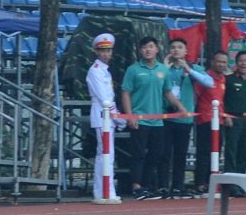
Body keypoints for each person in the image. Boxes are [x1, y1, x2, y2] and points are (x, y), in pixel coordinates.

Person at [119, 35, 166, 199]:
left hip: (158, 121)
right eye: (145, 47)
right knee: (138, 154)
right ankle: (136, 186)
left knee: (156, 154)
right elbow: (125, 92)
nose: (148, 50)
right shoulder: (133, 70)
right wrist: (129, 115)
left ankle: (147, 185)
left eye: (151, 46)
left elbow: (167, 92)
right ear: (140, 50)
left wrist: (180, 107)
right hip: (139, 119)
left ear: (157, 49)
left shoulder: (162, 69)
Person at [161, 37, 205, 197]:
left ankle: (178, 185)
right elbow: (157, 83)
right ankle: (163, 185)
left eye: (180, 47)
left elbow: (209, 82)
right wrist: (165, 69)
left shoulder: (193, 68)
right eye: (173, 47)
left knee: (180, 154)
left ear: (186, 51)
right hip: (166, 117)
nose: (176, 50)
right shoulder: (164, 68)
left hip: (184, 118)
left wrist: (189, 70)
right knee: (165, 154)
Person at [84, 32, 117, 201]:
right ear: (97, 52)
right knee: (105, 154)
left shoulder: (105, 71)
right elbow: (104, 98)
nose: (106, 54)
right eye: (103, 51)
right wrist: (118, 116)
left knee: (106, 154)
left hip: (108, 114)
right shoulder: (95, 71)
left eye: (109, 50)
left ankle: (105, 190)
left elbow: (110, 96)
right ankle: (104, 191)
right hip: (102, 114)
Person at [191, 49, 229, 193]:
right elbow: (196, 95)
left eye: (224, 62)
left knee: (216, 152)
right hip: (205, 120)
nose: (221, 64)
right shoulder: (205, 78)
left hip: (219, 122)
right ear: (212, 62)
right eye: (218, 61)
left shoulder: (224, 79)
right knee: (204, 152)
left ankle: (211, 181)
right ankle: (200, 182)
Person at [223, 49, 246, 175]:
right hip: (233, 119)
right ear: (236, 63)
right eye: (241, 61)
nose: (244, 64)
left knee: (244, 151)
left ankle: (241, 182)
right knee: (232, 151)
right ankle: (230, 183)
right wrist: (226, 116)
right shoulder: (229, 80)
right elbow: (224, 100)